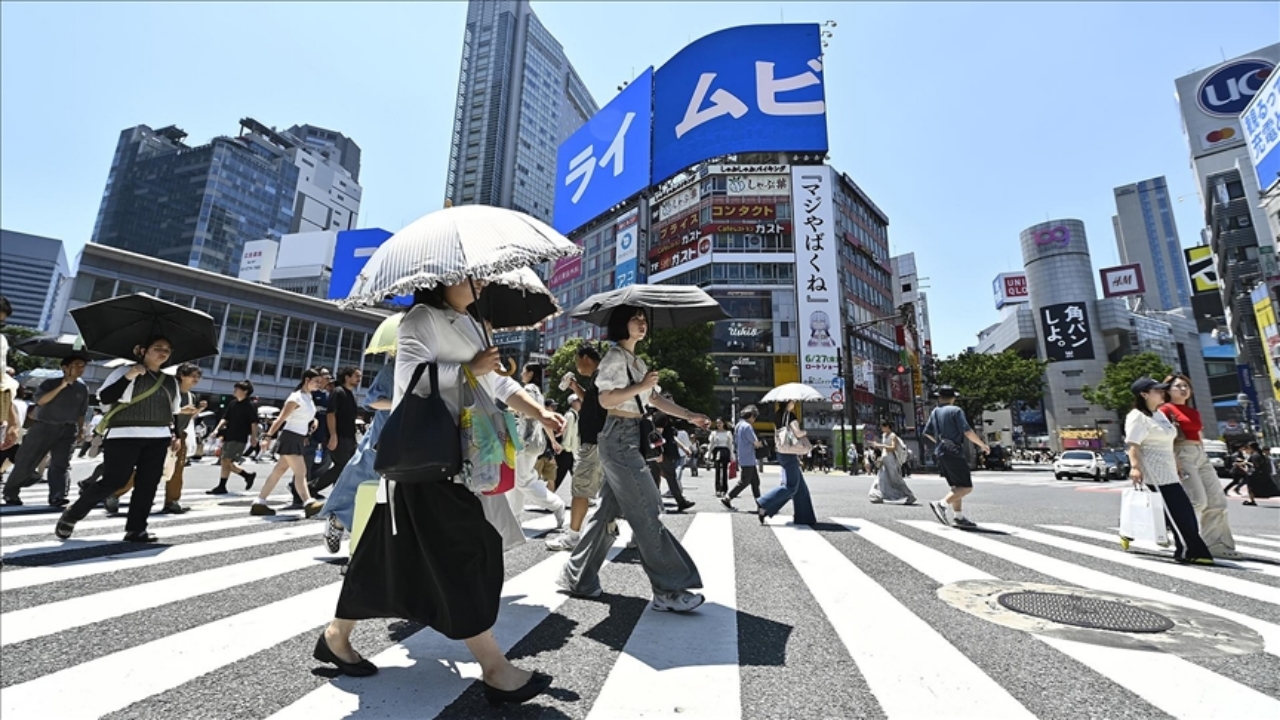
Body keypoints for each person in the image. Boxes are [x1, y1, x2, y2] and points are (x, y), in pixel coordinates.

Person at [316, 278, 563, 707]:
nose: (481, 282)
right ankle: (495, 668)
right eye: (473, 276)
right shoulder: (420, 319)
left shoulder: (473, 323)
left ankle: (336, 635)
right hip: (429, 457)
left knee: (380, 559)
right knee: (463, 555)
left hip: (460, 460)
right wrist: (470, 369)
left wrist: (539, 411)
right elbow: (410, 380)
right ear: (444, 280)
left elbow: (497, 385)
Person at [558, 305, 710, 613]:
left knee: (606, 514)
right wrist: (641, 385)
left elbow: (653, 399)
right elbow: (604, 399)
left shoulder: (636, 361)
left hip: (627, 437)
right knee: (646, 510)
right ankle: (668, 589)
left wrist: (689, 415)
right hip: (618, 438)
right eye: (634, 319)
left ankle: (577, 578)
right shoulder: (614, 358)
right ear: (620, 324)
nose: (641, 324)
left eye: (643, 319)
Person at [56, 336, 183, 543]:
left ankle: (136, 529)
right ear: (142, 350)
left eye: (167, 349)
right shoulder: (123, 371)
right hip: (124, 435)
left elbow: (174, 411)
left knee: (148, 484)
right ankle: (73, 514)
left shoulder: (170, 381)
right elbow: (105, 397)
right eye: (157, 348)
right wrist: (130, 375)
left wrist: (176, 435)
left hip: (158, 437)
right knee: (113, 480)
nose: (163, 352)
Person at [1122, 377, 1213, 564]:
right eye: (1157, 390)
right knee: (1178, 512)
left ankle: (1129, 531)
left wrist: (1176, 462)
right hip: (1154, 473)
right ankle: (1189, 550)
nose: (1162, 393)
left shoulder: (1159, 415)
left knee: (1181, 510)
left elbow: (1168, 441)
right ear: (1144, 394)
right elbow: (1133, 445)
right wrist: (1135, 467)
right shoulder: (1137, 416)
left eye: (1162, 390)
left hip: (1169, 470)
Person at [103, 363, 204, 515]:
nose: (196, 379)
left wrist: (197, 411)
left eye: (198, 376)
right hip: (163, 433)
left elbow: (185, 418)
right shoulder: (169, 387)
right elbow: (165, 411)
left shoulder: (192, 396)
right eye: (193, 376)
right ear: (182, 376)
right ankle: (116, 493)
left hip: (180, 434)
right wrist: (175, 429)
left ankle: (172, 501)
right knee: (146, 470)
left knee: (177, 470)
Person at [1159, 374, 1241, 559]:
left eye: (1186, 386)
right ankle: (1174, 531)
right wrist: (1175, 460)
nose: (1183, 389)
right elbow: (1165, 439)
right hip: (1181, 454)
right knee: (1197, 501)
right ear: (1168, 390)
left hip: (1199, 454)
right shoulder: (1165, 410)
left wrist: (1204, 455)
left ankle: (1218, 544)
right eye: (1178, 386)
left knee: (1216, 500)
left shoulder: (1192, 411)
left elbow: (1198, 435)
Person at [319, 358, 395, 553]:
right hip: (384, 436)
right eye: (356, 376)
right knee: (365, 477)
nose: (359, 379)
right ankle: (339, 519)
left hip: (408, 437)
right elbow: (372, 400)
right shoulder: (393, 368)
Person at [2, 354, 90, 507]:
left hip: (68, 429)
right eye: (77, 365)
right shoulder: (50, 383)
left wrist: (81, 429)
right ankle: (11, 492)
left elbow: (81, 412)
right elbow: (41, 401)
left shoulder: (82, 388)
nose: (81, 369)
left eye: (83, 366)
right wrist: (63, 385)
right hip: (44, 426)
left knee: (61, 464)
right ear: (65, 367)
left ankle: (58, 495)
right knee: (27, 461)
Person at [547, 345, 606, 552]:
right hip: (602, 442)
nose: (576, 364)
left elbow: (599, 406)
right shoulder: (600, 377)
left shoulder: (601, 377)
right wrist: (574, 386)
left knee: (581, 490)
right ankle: (638, 535)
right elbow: (592, 403)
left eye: (576, 360)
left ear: (585, 357)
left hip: (594, 443)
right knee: (611, 492)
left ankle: (573, 537)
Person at [251, 369, 326, 517]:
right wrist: (267, 437)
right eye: (316, 381)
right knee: (301, 471)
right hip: (290, 436)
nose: (319, 384)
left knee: (279, 471)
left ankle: (259, 502)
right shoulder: (295, 398)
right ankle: (308, 502)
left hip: (298, 437)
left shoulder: (308, 397)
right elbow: (280, 419)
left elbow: (304, 415)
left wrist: (313, 421)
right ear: (307, 380)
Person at [508, 362, 567, 527]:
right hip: (530, 442)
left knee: (523, 481)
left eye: (524, 371)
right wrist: (553, 441)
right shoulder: (538, 392)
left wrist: (512, 409)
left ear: (531, 373)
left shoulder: (529, 390)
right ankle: (515, 518)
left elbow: (527, 413)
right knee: (517, 480)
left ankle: (556, 504)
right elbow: (543, 418)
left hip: (525, 441)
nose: (521, 374)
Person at [923, 386, 989, 528]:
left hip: (940, 452)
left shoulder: (935, 411)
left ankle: (958, 517)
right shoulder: (956, 410)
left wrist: (940, 442)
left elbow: (927, 432)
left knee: (956, 487)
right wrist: (982, 445)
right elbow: (967, 431)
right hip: (954, 451)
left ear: (939, 398)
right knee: (966, 487)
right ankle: (941, 504)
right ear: (953, 398)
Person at [756, 401, 817, 525]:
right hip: (789, 453)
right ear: (788, 402)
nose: (794, 403)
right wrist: (806, 432)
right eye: (793, 401)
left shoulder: (778, 415)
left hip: (782, 451)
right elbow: (798, 433)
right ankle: (764, 504)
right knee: (792, 486)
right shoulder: (790, 416)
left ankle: (804, 517)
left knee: (801, 489)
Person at [311, 366, 361, 498]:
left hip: (349, 437)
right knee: (342, 465)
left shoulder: (352, 395)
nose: (359, 379)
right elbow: (331, 414)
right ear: (347, 377)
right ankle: (312, 487)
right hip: (339, 437)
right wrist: (333, 435)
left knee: (349, 467)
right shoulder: (338, 392)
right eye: (357, 376)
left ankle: (339, 492)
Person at [208, 380, 259, 494]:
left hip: (239, 436)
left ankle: (222, 485)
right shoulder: (233, 403)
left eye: (237, 389)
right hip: (229, 435)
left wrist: (253, 438)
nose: (234, 390)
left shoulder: (249, 405)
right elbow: (225, 418)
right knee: (226, 461)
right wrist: (217, 429)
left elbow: (254, 422)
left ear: (245, 391)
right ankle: (246, 476)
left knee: (226, 460)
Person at [652, 412, 695, 512]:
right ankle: (681, 502)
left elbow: (671, 436)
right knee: (671, 478)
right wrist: (659, 453)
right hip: (663, 454)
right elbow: (657, 434)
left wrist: (684, 447)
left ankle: (654, 504)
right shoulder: (660, 417)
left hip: (657, 454)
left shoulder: (659, 417)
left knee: (655, 478)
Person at [721, 406, 763, 509]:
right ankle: (728, 497)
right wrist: (761, 445)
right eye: (754, 417)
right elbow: (755, 442)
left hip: (744, 456)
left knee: (755, 482)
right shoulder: (747, 427)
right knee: (744, 481)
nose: (754, 420)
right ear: (751, 416)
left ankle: (760, 504)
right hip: (748, 457)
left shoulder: (738, 425)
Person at [868, 420, 916, 505]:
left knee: (896, 480)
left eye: (883, 426)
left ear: (887, 427)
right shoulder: (883, 435)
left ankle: (910, 495)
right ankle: (876, 496)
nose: (881, 428)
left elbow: (893, 448)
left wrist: (880, 445)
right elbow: (884, 448)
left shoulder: (893, 436)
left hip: (891, 460)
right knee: (881, 478)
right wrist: (877, 447)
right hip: (884, 459)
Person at [553, 395, 579, 494]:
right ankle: (547, 497)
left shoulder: (575, 414)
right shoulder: (570, 415)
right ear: (572, 402)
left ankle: (583, 498)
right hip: (567, 451)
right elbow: (567, 434)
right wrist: (566, 447)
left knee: (577, 476)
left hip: (571, 451)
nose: (580, 402)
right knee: (558, 476)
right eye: (578, 400)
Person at [708, 419, 733, 497]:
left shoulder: (728, 433)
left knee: (725, 471)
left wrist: (732, 455)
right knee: (717, 470)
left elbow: (730, 445)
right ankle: (718, 489)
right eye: (717, 423)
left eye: (720, 423)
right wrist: (709, 454)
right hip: (717, 450)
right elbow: (711, 444)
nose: (719, 424)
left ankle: (724, 489)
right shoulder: (714, 433)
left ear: (723, 423)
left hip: (725, 450)